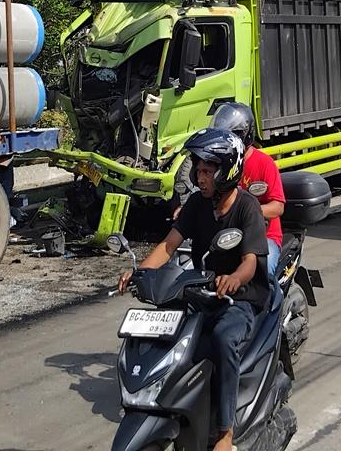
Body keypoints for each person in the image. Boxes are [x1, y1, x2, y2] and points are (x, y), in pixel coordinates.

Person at [117, 128, 269, 451]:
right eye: (198, 170)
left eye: (205, 171)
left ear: (225, 171)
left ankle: (225, 433)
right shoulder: (198, 205)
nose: (199, 177)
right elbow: (169, 246)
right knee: (174, 348)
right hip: (203, 295)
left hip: (239, 299)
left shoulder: (247, 208)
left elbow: (251, 263)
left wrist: (234, 279)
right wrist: (138, 272)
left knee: (224, 340)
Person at [210, 102, 286, 277]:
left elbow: (278, 207)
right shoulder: (217, 164)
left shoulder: (264, 163)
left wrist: (245, 213)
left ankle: (272, 302)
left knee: (263, 272)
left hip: (265, 236)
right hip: (226, 235)